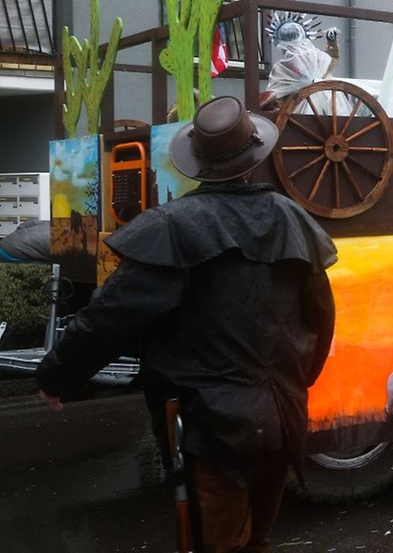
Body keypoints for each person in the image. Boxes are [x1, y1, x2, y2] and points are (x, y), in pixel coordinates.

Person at [36, 96, 337, 553]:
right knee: (258, 540)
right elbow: (322, 317)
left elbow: (111, 317)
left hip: (213, 427)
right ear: (253, 160)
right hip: (282, 416)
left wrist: (56, 374)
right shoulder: (291, 217)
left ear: (197, 164)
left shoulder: (174, 226)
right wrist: (295, 382)